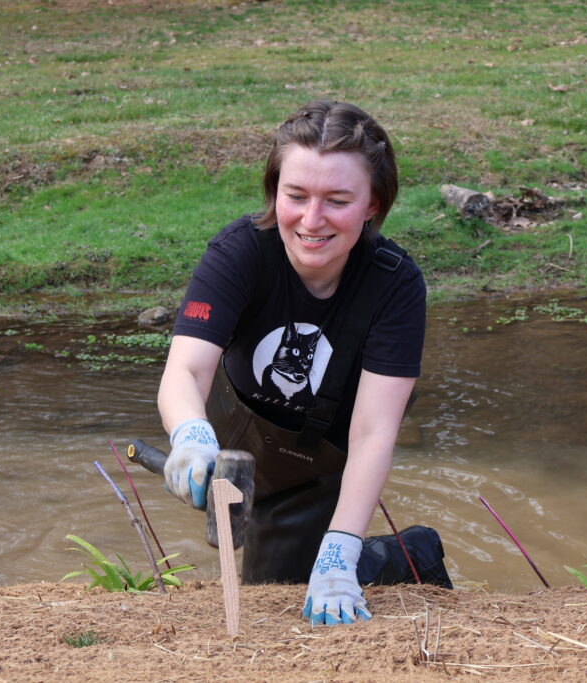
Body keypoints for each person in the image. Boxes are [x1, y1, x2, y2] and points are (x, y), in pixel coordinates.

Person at [157, 100, 451, 627]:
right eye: (296, 196)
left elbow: (373, 432)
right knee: (271, 590)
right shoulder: (238, 253)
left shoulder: (395, 285)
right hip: (237, 440)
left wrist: (340, 553)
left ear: (373, 204)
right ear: (275, 192)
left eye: (338, 200)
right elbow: (186, 371)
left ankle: (412, 556)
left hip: (321, 460)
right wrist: (190, 435)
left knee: (282, 594)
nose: (311, 221)